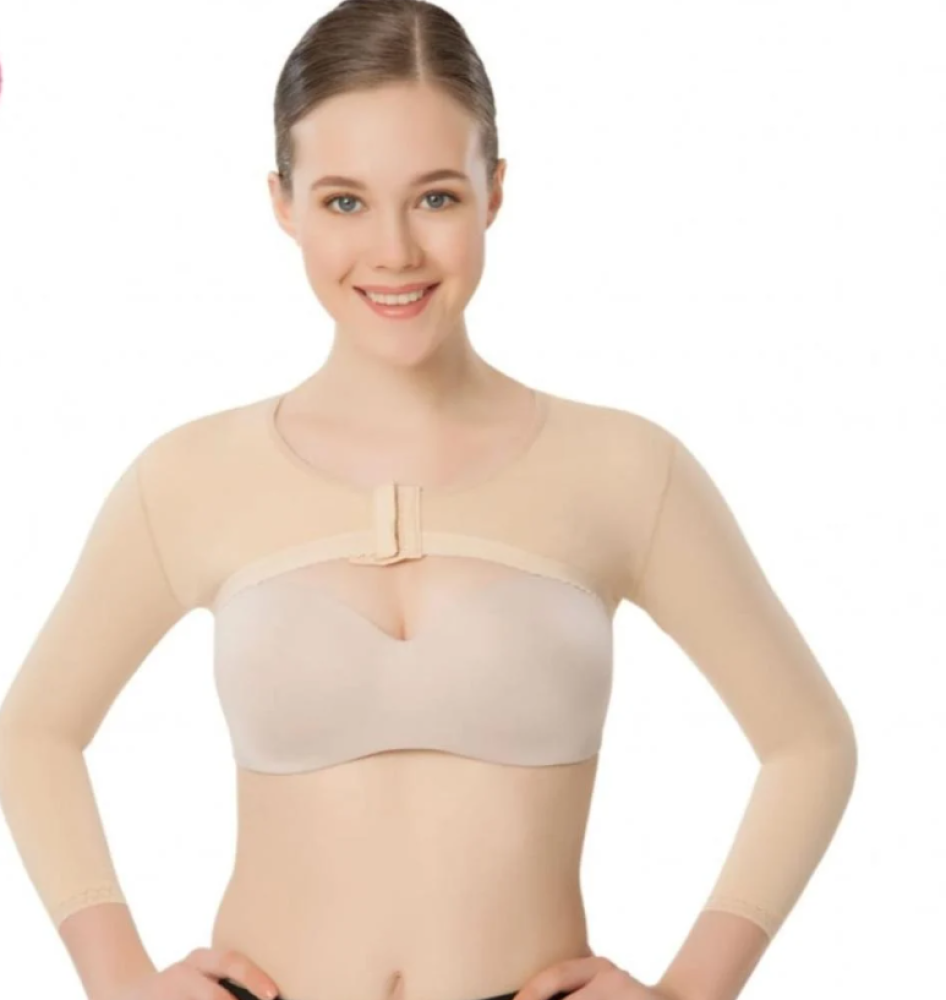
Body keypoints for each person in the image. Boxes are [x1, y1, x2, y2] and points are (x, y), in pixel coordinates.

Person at [0, 2, 858, 999]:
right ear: (283, 203)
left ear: (496, 191)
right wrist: (115, 978)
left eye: (436, 197)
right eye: (344, 201)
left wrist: (691, 990)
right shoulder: (188, 477)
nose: (395, 251)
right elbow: (33, 732)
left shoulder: (624, 468)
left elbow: (809, 743)